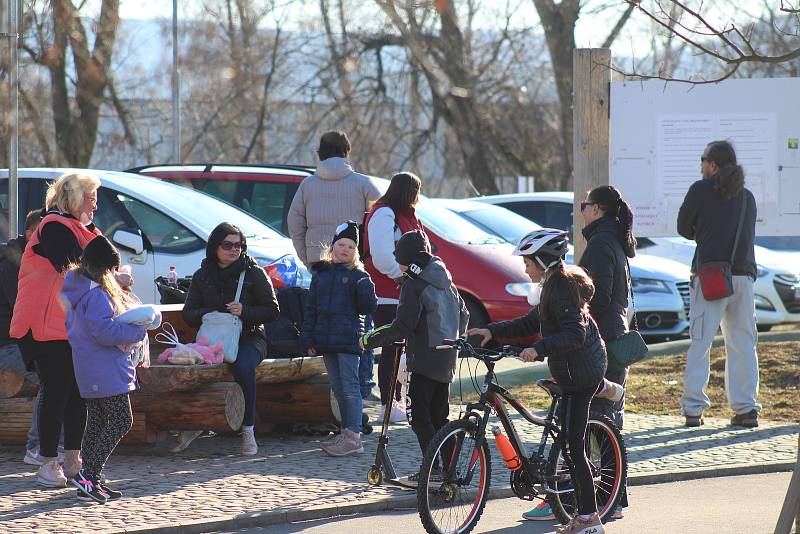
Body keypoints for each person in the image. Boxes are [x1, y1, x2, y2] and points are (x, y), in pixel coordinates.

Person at [468, 229, 608, 534]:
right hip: (568, 370)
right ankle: (578, 513)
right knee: (568, 441)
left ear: (543, 261)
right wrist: (493, 331)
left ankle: (590, 519)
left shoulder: (564, 288)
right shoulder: (552, 286)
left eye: (528, 262)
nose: (524, 267)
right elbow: (533, 321)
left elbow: (575, 334)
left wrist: (537, 349)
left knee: (574, 448)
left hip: (582, 374)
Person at [519, 185, 635, 522]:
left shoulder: (599, 244)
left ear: (597, 209)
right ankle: (607, 500)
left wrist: (567, 327)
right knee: (602, 425)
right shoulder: (613, 239)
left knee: (591, 427)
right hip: (611, 338)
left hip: (599, 346)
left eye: (584, 204)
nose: (581, 209)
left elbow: (590, 300)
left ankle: (587, 501)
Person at [11, 172, 104, 487]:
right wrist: (110, 276)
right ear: (76, 197)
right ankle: (47, 460)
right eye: (91, 196)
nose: (96, 203)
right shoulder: (52, 226)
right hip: (42, 324)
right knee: (57, 391)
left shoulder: (83, 228)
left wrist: (92, 229)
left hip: (70, 326)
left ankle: (73, 460)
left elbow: (110, 259)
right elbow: (72, 265)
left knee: (78, 393)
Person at [361, 230, 469, 484]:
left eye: (400, 260)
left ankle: (432, 470)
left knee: (419, 416)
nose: (398, 265)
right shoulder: (446, 279)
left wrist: (369, 339)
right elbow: (464, 316)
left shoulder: (414, 283)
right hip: (447, 356)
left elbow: (403, 326)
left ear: (409, 260)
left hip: (423, 359)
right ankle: (449, 469)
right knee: (439, 416)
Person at [286, 130, 382, 408]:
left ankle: (337, 388)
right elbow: (381, 218)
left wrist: (307, 256)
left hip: (319, 261)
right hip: (355, 264)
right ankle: (363, 385)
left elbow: (295, 223)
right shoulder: (363, 184)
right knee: (361, 324)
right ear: (346, 152)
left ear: (320, 154)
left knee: (324, 320)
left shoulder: (307, 185)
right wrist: (366, 254)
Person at [677, 140, 760, 428]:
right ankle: (746, 409)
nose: (701, 165)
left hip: (710, 278)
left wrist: (703, 231)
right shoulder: (747, 197)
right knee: (743, 345)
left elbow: (682, 227)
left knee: (700, 343)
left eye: (703, 159)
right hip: (743, 278)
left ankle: (693, 409)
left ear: (712, 164)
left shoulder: (701, 190)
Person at [62, 236, 150, 503]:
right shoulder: (97, 294)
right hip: (104, 368)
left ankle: (91, 479)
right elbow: (104, 331)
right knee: (122, 420)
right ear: (105, 269)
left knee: (98, 422)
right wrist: (137, 330)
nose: (115, 275)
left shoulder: (81, 289)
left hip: (91, 368)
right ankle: (89, 474)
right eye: (113, 270)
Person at [182, 222, 280, 454]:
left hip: (250, 336)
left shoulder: (254, 273)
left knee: (242, 365)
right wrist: (208, 314)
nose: (234, 250)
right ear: (215, 246)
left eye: (239, 245)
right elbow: (188, 313)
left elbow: (272, 310)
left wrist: (245, 311)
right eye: (228, 245)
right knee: (186, 367)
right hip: (213, 338)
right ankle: (192, 423)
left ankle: (248, 429)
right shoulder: (202, 275)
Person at [301, 221, 377, 456]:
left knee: (350, 388)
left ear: (356, 253)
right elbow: (311, 309)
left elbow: (368, 307)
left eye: (351, 247)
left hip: (348, 341)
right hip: (326, 341)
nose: (345, 249)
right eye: (341, 244)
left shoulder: (358, 276)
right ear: (332, 247)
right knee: (337, 388)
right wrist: (308, 338)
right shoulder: (321, 274)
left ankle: (354, 436)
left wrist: (366, 287)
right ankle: (345, 433)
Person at [363, 172, 426, 423]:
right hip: (388, 293)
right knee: (392, 348)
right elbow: (381, 255)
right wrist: (400, 277)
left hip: (407, 291)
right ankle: (389, 403)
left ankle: (400, 399)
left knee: (405, 349)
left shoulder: (408, 216)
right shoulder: (384, 214)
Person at [0, 209, 60, 465]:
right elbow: (25, 312)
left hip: (30, 340)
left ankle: (62, 444)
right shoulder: (14, 264)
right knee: (53, 376)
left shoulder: (42, 260)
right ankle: (37, 446)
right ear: (30, 233)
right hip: (8, 344)